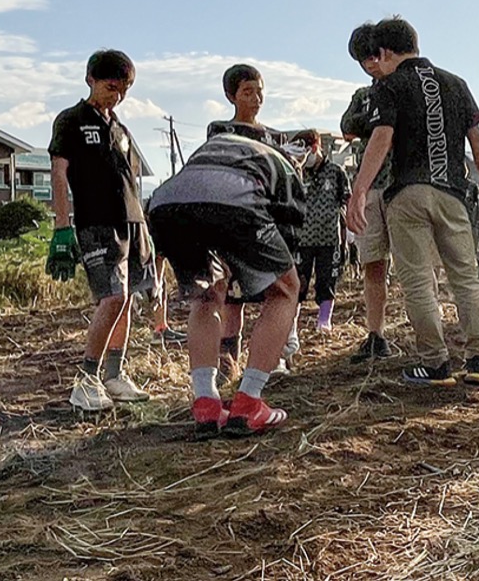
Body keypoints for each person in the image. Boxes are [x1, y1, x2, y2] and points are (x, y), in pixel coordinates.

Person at [345, 17, 479, 386]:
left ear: (385, 52)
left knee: (418, 281)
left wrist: (359, 190)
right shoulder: (455, 83)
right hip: (453, 193)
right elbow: (477, 142)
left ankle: (435, 363)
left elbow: (381, 138)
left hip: (408, 192)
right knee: (466, 278)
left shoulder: (389, 86)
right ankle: (478, 360)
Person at [148, 131, 311, 437]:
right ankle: (249, 402)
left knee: (207, 296)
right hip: (232, 200)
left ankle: (206, 404)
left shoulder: (225, 145)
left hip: (165, 203)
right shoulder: (287, 169)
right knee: (286, 289)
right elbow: (287, 239)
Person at [47, 49, 156, 411]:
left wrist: (146, 230)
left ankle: (114, 374)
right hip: (97, 222)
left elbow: (132, 181)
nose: (117, 96)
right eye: (111, 87)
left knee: (128, 299)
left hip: (132, 222)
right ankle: (86, 379)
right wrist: (62, 227)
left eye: (124, 90)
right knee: (112, 298)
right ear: (90, 80)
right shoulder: (72, 120)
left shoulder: (121, 130)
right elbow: (59, 173)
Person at [206, 64, 301, 375]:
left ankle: (273, 358)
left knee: (276, 291)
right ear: (231, 95)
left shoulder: (275, 136)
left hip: (269, 221)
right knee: (233, 297)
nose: (256, 98)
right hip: (233, 221)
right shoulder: (221, 130)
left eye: (259, 91)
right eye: (247, 92)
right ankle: (227, 361)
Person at [340, 24, 396, 363]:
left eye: (374, 56)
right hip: (371, 186)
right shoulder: (363, 95)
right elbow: (348, 126)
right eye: (364, 60)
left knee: (416, 267)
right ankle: (376, 334)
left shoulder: (403, 86)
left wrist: (372, 123)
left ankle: (428, 334)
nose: (371, 64)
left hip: (402, 184)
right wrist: (373, 121)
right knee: (373, 263)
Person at [294, 130, 350, 332]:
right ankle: (291, 326)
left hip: (329, 238)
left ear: (315, 147)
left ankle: (324, 321)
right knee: (297, 284)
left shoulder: (336, 172)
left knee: (327, 282)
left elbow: (347, 200)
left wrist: (348, 232)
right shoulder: (297, 172)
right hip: (302, 240)